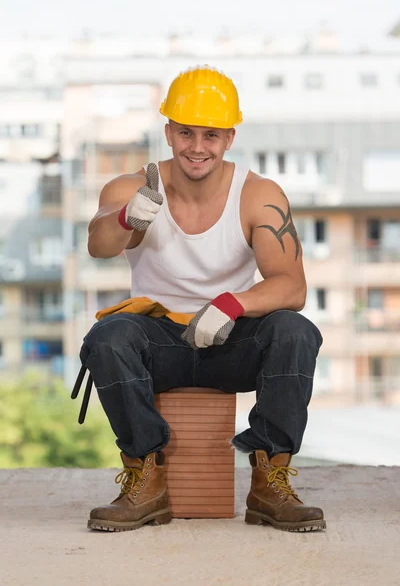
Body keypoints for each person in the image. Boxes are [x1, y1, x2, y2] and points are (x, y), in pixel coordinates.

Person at [79, 65, 326, 533]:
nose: (197, 146)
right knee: (108, 337)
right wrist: (128, 219)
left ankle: (269, 482)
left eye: (210, 135)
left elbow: (291, 286)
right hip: (156, 343)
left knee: (295, 331)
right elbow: (98, 246)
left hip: (232, 338)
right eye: (186, 132)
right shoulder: (131, 187)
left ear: (229, 138)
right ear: (168, 132)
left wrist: (232, 304)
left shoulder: (258, 194)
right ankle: (144, 478)